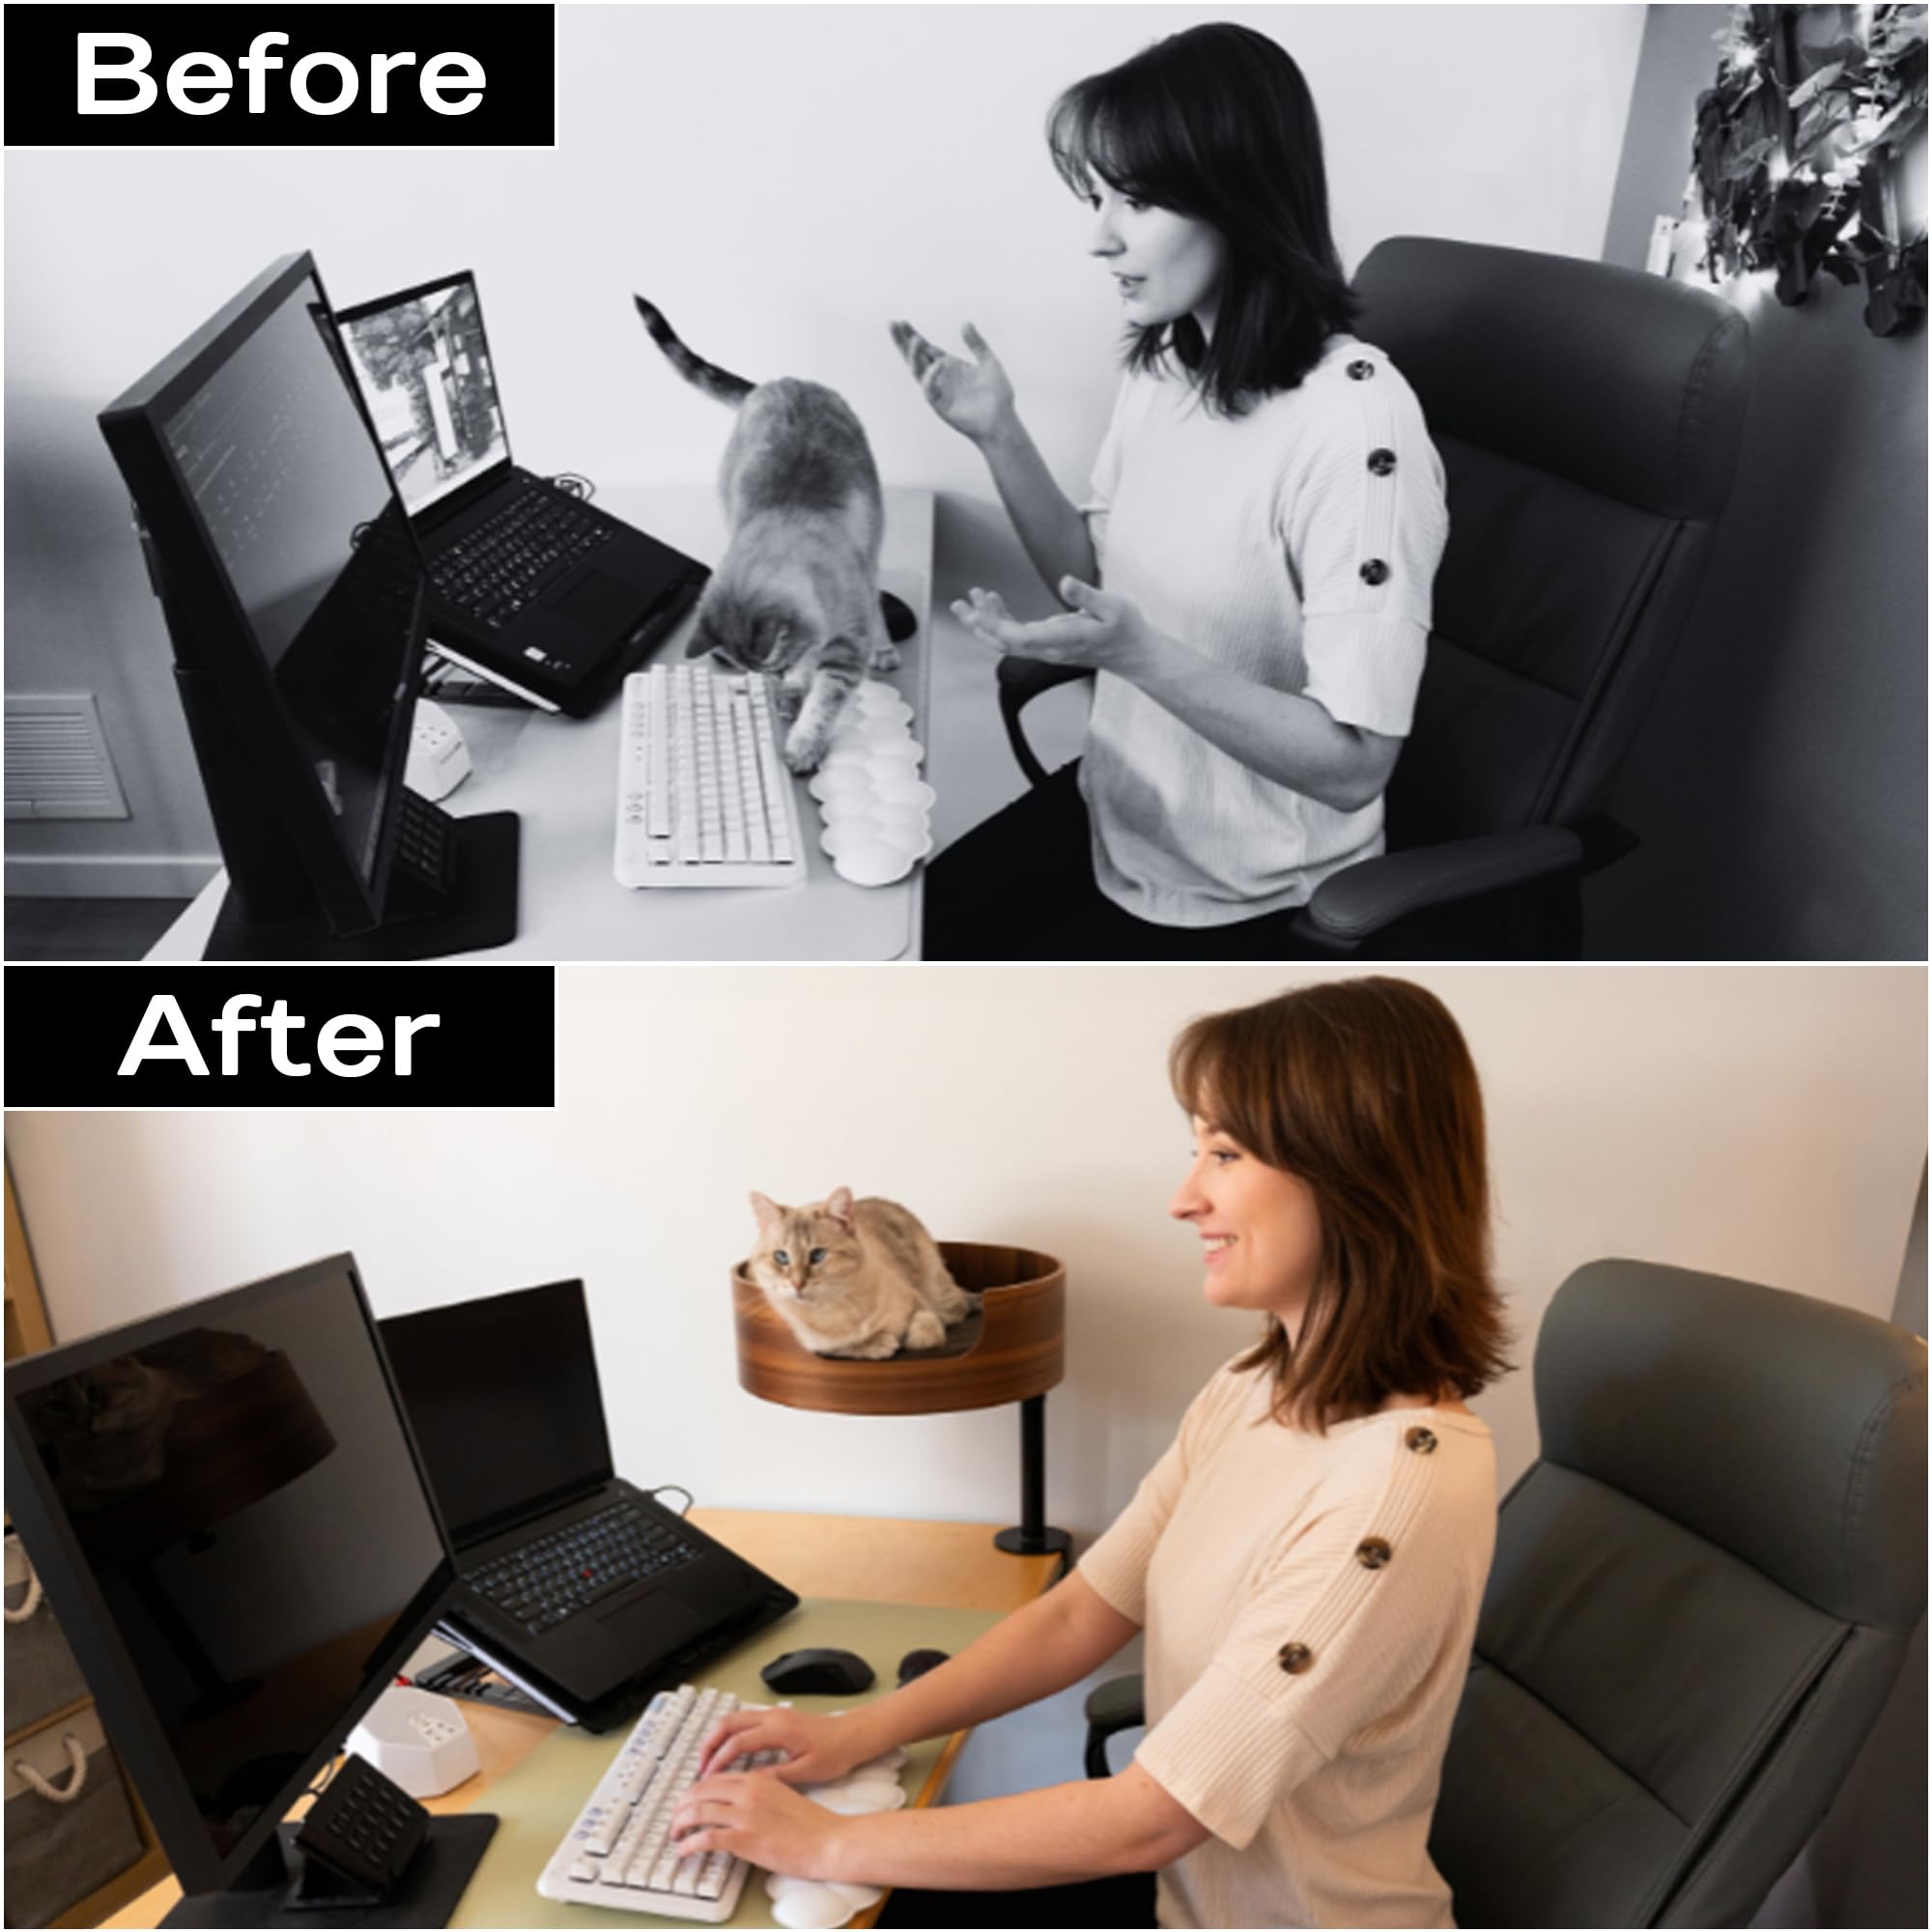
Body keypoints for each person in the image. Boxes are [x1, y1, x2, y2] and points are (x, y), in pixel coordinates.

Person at [668, 976, 1511, 1928]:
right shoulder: (1256, 1384)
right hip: (1174, 1893)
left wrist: (815, 1839)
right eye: (1192, 1150)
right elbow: (1082, 1610)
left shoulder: (1390, 1493)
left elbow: (1145, 1819)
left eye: (1223, 1153)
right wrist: (847, 1733)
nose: (1182, 1196)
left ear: (1355, 1172)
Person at [891, 22, 1450, 960]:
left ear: (1237, 197)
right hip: (1115, 829)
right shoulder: (1167, 367)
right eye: (1097, 197)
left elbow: (1355, 765)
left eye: (1136, 200)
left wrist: (1138, 655)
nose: (1099, 238)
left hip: (1251, 901)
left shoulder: (1357, 428)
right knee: (894, 953)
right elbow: (1090, 573)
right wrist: (997, 432)